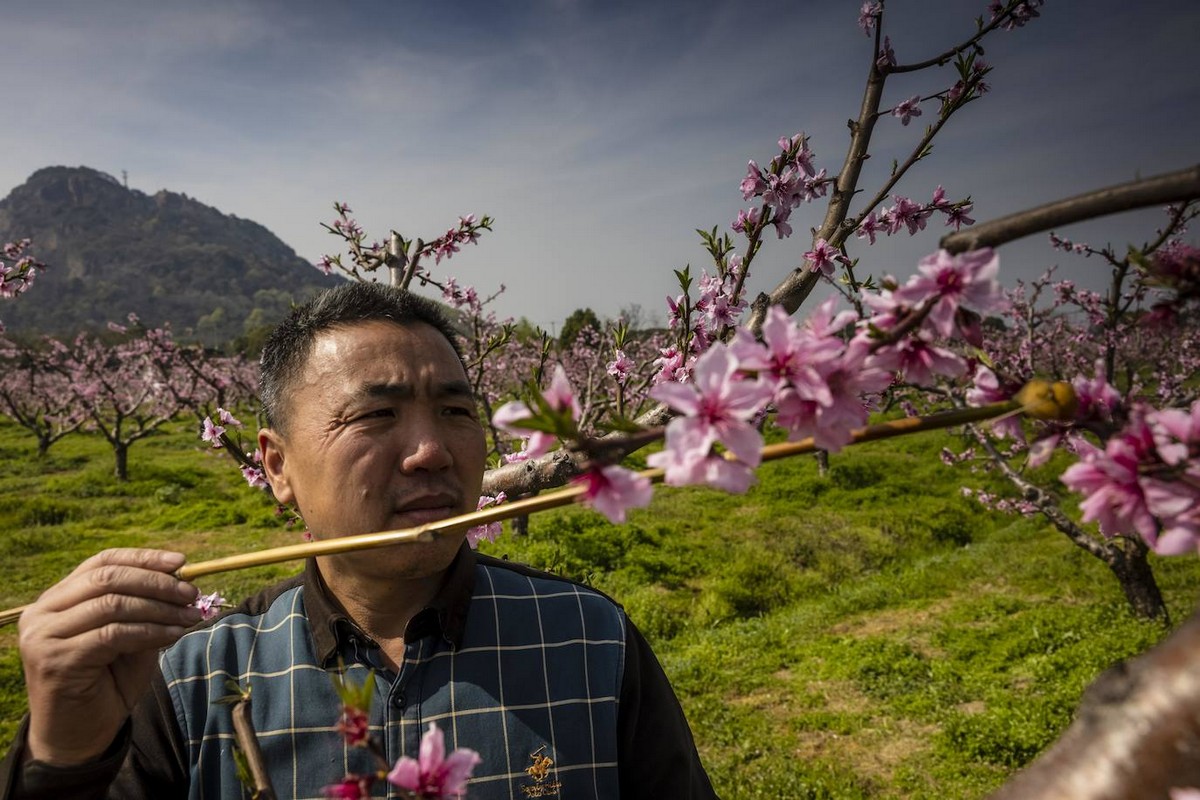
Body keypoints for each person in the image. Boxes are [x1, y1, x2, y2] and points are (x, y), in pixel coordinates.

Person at [0, 282, 718, 799]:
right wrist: (65, 755)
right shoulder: (192, 674)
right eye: (377, 415)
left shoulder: (591, 640)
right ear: (276, 467)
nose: (432, 450)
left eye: (457, 410)